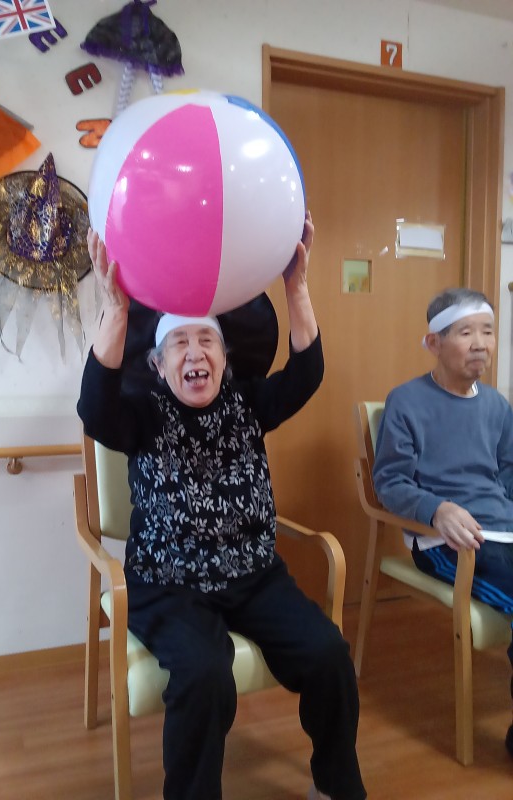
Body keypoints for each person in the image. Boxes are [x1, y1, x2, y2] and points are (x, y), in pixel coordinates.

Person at [77, 212, 366, 800]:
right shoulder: (142, 412)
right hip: (168, 583)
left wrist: (296, 285)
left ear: (224, 357)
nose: (195, 353)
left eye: (206, 340)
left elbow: (307, 372)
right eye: (179, 343)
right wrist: (117, 311)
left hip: (255, 576)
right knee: (206, 673)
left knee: (329, 654)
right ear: (158, 365)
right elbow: (94, 410)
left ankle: (337, 786)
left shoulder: (247, 402)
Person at [372, 287, 513, 757]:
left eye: (488, 332)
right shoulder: (406, 402)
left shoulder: (497, 406)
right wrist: (438, 509)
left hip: (504, 531)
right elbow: (389, 482)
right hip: (447, 542)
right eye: (466, 332)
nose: (481, 344)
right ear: (433, 342)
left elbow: (509, 473)